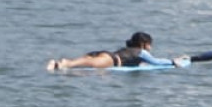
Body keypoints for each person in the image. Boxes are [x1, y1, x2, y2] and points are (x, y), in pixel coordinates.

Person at [46, 32, 178, 71]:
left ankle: (64, 63)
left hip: (105, 54)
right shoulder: (142, 52)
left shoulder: (130, 50)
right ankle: (64, 64)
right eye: (150, 44)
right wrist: (173, 61)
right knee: (86, 64)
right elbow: (156, 62)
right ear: (144, 44)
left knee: (85, 62)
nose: (151, 47)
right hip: (111, 60)